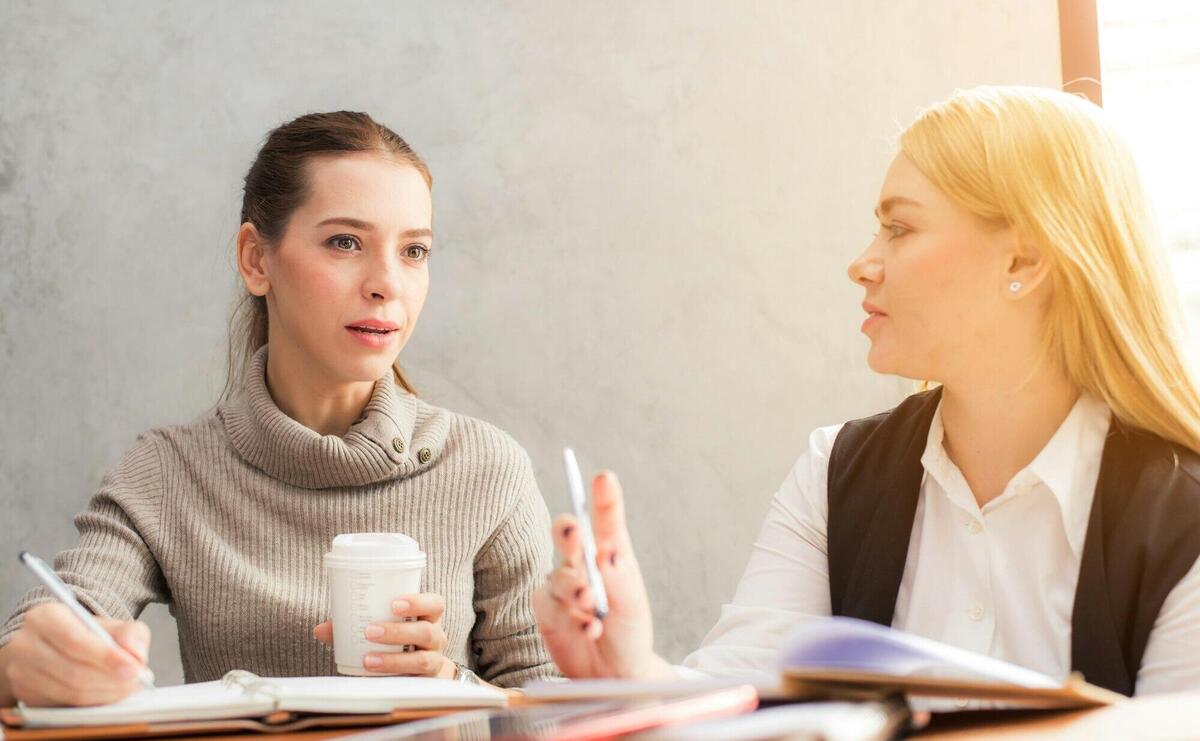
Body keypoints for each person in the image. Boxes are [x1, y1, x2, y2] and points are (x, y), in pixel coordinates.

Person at [534, 86, 1200, 697]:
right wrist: (632, 670)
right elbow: (743, 703)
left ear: (1023, 260)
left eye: (900, 228)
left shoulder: (1181, 516)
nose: (862, 264)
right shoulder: (835, 471)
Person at [0, 111, 556, 707]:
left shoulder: (488, 469)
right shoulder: (167, 473)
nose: (387, 283)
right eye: (346, 242)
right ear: (255, 260)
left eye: (414, 250)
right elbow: (56, 619)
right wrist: (26, 664)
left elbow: (555, 702)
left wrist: (454, 689)